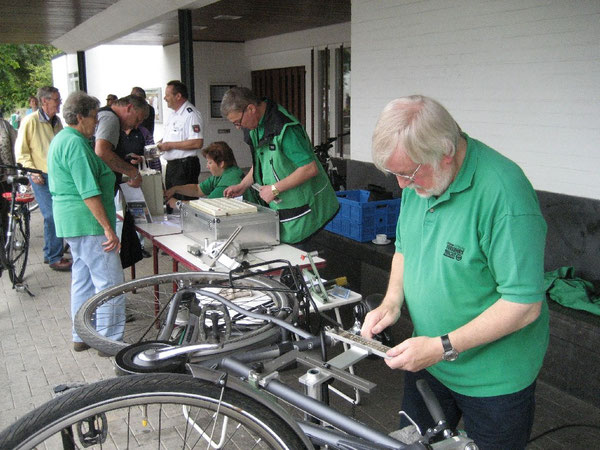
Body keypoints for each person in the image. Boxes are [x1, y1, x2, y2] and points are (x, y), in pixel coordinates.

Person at [362, 95, 549, 449]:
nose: (401, 185)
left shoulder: (505, 194)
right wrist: (391, 301)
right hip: (429, 360)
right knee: (411, 444)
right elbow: (405, 247)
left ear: (445, 153)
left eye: (408, 173)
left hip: (493, 380)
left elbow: (523, 305)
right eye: (395, 174)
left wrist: (442, 346)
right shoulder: (421, 180)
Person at [47, 91, 125, 354]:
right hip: (87, 222)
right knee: (110, 283)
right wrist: (106, 226)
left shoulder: (62, 139)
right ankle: (108, 340)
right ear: (79, 117)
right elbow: (87, 189)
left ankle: (81, 334)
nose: (96, 124)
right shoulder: (76, 144)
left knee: (82, 280)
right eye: (94, 118)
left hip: (72, 221)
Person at [221, 87, 339, 244]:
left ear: (250, 109)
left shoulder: (284, 128)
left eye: (238, 122)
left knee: (300, 261)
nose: (238, 127)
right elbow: (261, 162)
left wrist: (274, 189)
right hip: (283, 208)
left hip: (308, 211)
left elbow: (309, 168)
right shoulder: (256, 126)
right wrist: (242, 185)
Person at [15, 86, 71, 271]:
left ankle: (50, 252)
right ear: (44, 101)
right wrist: (32, 171)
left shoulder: (57, 122)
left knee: (57, 214)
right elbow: (21, 151)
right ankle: (54, 257)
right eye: (56, 99)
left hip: (57, 175)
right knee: (51, 215)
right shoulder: (30, 121)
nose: (59, 103)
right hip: (40, 175)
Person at [164, 141, 257, 208]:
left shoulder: (229, 180)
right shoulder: (221, 174)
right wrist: (175, 189)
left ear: (221, 163)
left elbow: (207, 205)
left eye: (210, 163)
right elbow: (197, 189)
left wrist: (177, 203)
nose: (207, 166)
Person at [157, 80, 204, 204]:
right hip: (173, 166)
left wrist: (170, 145)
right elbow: (173, 137)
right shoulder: (174, 114)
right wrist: (161, 143)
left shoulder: (191, 114)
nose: (164, 98)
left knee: (184, 202)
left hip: (184, 166)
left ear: (178, 96)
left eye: (168, 95)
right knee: (171, 200)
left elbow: (197, 142)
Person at [94, 94, 148, 188]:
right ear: (129, 108)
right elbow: (102, 152)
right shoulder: (111, 118)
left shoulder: (106, 115)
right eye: (137, 120)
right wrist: (133, 173)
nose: (136, 126)